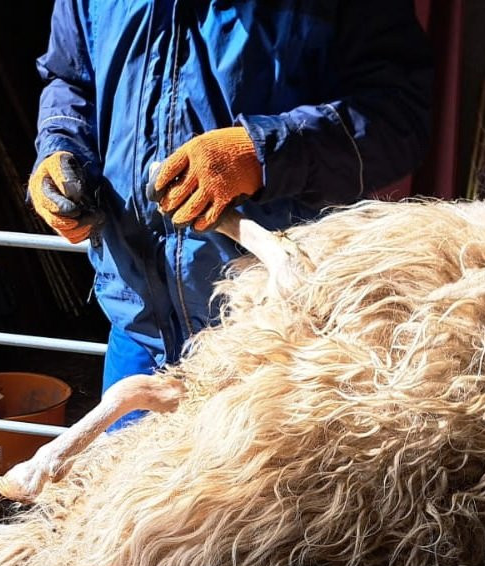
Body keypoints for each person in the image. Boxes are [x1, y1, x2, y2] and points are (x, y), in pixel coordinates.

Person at [27, 1, 433, 392]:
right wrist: (60, 148)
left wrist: (261, 154)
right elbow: (70, 79)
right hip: (138, 335)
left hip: (277, 341)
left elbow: (398, 117)